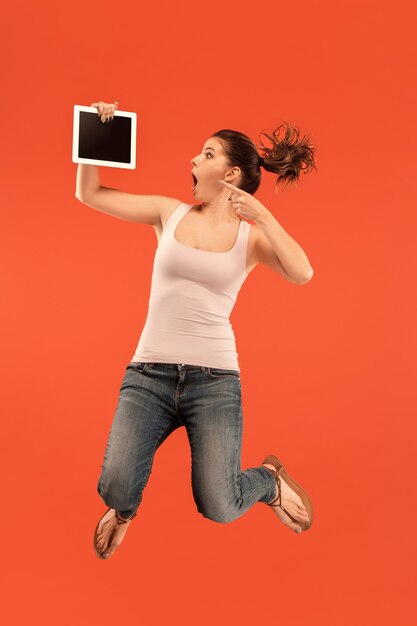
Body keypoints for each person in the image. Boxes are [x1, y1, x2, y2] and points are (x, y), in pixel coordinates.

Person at [76, 100, 317, 560]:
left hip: (215, 383)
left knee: (220, 506)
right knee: (115, 485)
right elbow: (91, 193)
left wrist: (264, 215)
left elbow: (303, 273)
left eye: (207, 154)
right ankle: (123, 509)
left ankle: (269, 481)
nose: (193, 159)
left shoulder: (253, 239)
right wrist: (95, 134)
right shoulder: (170, 214)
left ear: (229, 174)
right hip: (149, 375)